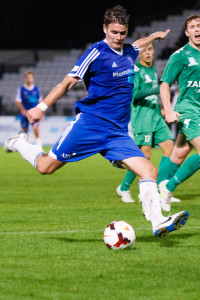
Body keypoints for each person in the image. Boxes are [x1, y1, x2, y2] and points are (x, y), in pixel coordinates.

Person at [4, 5, 189, 238]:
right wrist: (41, 107)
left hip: (117, 133)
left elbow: (137, 46)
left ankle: (158, 222)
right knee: (45, 168)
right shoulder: (96, 51)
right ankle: (19, 142)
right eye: (114, 32)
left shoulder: (129, 51)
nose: (118, 38)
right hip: (90, 125)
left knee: (149, 170)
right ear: (105, 29)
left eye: (122, 33)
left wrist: (155, 36)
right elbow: (68, 82)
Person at [116, 43, 179, 217]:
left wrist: (163, 109)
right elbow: (134, 95)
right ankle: (124, 188)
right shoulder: (135, 70)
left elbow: (152, 95)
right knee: (145, 157)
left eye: (151, 50)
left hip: (155, 116)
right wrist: (157, 88)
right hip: (142, 117)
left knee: (170, 149)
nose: (149, 53)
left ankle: (163, 186)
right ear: (139, 54)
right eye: (145, 51)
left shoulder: (152, 70)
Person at [158, 15, 200, 212]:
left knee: (180, 151)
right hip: (187, 109)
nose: (197, 29)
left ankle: (158, 187)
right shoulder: (180, 55)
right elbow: (165, 83)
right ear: (187, 33)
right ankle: (168, 187)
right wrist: (168, 110)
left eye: (199, 26)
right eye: (193, 27)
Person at [15, 70, 43, 148]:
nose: (29, 79)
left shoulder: (37, 89)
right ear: (25, 79)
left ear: (33, 78)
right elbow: (18, 101)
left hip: (34, 113)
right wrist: (22, 110)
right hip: (25, 113)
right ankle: (25, 147)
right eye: (28, 77)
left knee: (36, 129)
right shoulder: (21, 89)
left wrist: (41, 112)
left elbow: (40, 101)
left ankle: (39, 147)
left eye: (31, 77)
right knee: (24, 131)